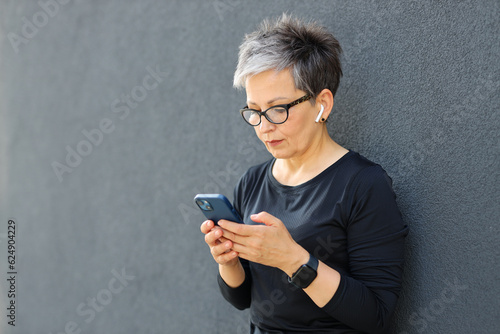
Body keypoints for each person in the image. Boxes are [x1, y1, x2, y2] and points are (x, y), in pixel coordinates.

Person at [200, 14, 408, 334]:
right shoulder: (252, 182)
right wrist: (227, 261)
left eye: (278, 109)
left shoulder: (363, 185)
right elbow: (242, 298)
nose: (264, 126)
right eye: (254, 111)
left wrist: (293, 260)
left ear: (322, 104)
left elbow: (376, 315)